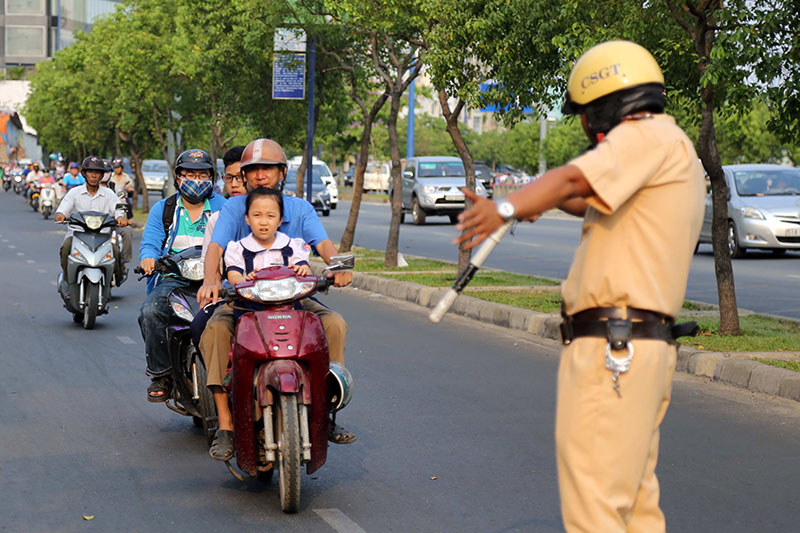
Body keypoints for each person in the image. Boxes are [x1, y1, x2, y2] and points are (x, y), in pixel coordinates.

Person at [454, 40, 705, 532]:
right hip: (642, 348)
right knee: (633, 508)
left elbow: (572, 180)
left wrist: (503, 209)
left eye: (587, 115)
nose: (590, 129)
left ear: (605, 108)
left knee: (595, 509)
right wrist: (520, 198)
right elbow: (585, 198)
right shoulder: (673, 147)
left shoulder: (640, 137)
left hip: (613, 349)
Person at [197, 138, 355, 461]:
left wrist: (337, 267)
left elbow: (323, 244)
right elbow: (216, 248)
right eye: (252, 170)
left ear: (282, 172)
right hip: (245, 302)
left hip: (294, 300)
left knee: (335, 324)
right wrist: (212, 279)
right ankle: (226, 425)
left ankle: (326, 413)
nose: (259, 175)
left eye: (267, 168)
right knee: (212, 331)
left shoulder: (300, 209)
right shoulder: (233, 209)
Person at [138, 149, 227, 402]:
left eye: (202, 175)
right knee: (151, 312)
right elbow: (150, 243)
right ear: (177, 178)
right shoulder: (162, 209)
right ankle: (162, 374)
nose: (195, 180)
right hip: (174, 276)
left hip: (216, 276)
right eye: (189, 174)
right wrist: (148, 258)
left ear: (212, 178)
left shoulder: (225, 207)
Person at [55, 156, 129, 287]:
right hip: (77, 236)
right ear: (84, 173)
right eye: (90, 172)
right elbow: (63, 208)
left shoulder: (109, 194)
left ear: (102, 175)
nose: (94, 175)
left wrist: (120, 217)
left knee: (116, 251)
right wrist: (61, 215)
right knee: (66, 247)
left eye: (98, 172)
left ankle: (114, 279)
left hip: (103, 237)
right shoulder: (74, 193)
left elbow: (118, 208)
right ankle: (68, 282)